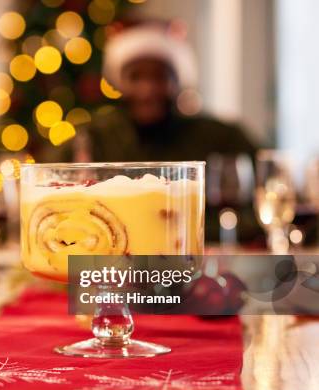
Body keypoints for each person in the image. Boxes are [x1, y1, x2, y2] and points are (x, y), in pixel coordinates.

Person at [78, 20, 262, 242]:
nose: (147, 90)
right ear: (119, 82)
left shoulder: (222, 137)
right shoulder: (94, 136)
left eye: (159, 77)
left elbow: (270, 193)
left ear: (178, 82)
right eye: (136, 77)